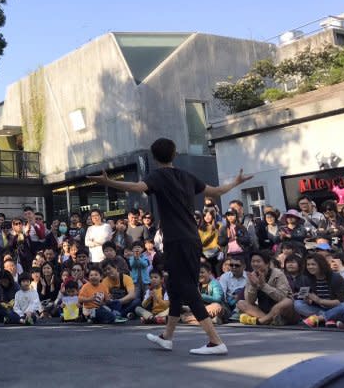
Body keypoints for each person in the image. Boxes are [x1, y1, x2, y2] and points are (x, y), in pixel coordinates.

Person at [89, 137, 252, 355]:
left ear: (155, 158)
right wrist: (236, 182)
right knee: (175, 288)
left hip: (177, 240)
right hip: (191, 239)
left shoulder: (157, 176)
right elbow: (218, 191)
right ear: (174, 154)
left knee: (187, 289)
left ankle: (215, 341)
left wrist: (109, 182)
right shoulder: (187, 176)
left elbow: (137, 187)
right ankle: (167, 337)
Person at [237, 250, 294, 326]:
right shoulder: (252, 275)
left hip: (281, 310)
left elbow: (282, 297)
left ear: (267, 264)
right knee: (241, 303)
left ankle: (263, 320)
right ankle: (268, 320)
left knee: (287, 301)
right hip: (263, 310)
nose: (255, 264)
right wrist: (253, 286)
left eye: (258, 261)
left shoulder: (278, 274)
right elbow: (250, 301)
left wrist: (264, 286)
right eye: (253, 261)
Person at [294, 252, 344, 327]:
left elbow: (341, 301)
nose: (310, 267)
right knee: (298, 304)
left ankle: (318, 319)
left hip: (334, 307)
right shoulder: (306, 278)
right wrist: (306, 298)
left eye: (313, 264)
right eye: (308, 265)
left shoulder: (336, 278)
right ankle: (329, 318)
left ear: (321, 265)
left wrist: (319, 300)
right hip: (318, 309)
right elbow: (303, 298)